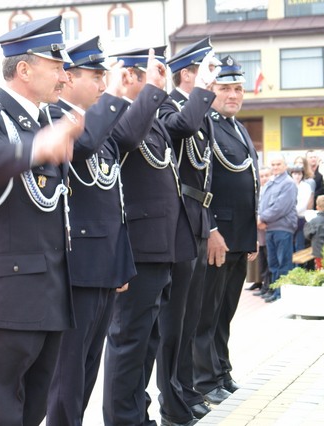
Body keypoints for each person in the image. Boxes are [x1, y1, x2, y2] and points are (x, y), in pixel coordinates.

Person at [0, 17, 84, 426]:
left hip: (50, 293)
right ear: (26, 69)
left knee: (33, 411)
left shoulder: (45, 122)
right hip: (11, 296)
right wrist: (38, 147)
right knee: (1, 414)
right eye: (57, 67)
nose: (65, 77)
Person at [103, 46, 198, 426]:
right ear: (128, 77)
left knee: (147, 340)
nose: (156, 85)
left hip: (161, 246)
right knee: (129, 341)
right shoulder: (115, 115)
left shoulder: (151, 117)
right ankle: (123, 419)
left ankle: (137, 415)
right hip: (138, 248)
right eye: (149, 76)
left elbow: (182, 130)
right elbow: (125, 138)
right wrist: (153, 93)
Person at [44, 37, 136, 426]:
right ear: (69, 77)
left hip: (103, 265)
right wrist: (114, 96)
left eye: (104, 77)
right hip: (77, 268)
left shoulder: (99, 123)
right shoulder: (55, 119)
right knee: (67, 375)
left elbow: (114, 200)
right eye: (95, 77)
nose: (102, 84)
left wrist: (120, 262)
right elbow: (82, 147)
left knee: (86, 369)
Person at [157, 37, 220, 425]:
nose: (213, 78)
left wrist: (210, 225)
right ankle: (172, 399)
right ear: (187, 74)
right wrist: (201, 93)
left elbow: (205, 173)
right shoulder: (168, 106)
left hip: (197, 217)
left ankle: (187, 389)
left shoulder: (199, 109)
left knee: (191, 315)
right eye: (207, 70)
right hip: (178, 219)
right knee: (173, 320)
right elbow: (181, 129)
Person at [193, 55, 259, 406]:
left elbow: (250, 182)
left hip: (239, 235)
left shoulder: (237, 127)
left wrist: (251, 235)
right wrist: (211, 229)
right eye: (225, 88)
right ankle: (204, 381)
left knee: (225, 312)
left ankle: (220, 371)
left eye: (238, 89)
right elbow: (199, 183)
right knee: (206, 313)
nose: (233, 95)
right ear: (211, 90)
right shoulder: (204, 124)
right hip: (218, 237)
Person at [257, 154, 297, 302]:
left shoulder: (288, 183)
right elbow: (262, 204)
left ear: (285, 166)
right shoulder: (271, 183)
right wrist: (261, 217)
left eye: (278, 164)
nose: (275, 167)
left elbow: (281, 207)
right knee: (273, 263)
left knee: (283, 262)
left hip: (282, 228)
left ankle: (282, 293)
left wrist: (262, 218)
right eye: (273, 164)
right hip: (270, 228)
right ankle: (275, 290)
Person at [253, 167, 272, 299]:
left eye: (267, 175)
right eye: (262, 176)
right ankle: (264, 285)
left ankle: (269, 286)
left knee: (270, 260)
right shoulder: (258, 189)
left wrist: (262, 219)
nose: (264, 178)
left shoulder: (272, 189)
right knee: (263, 261)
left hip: (268, 227)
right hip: (259, 229)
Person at [303, 196, 324, 269]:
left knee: (320, 269)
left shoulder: (312, 222)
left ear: (317, 207)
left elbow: (307, 235)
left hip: (318, 252)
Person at [289, 165, 313, 254]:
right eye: (295, 174)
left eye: (299, 174)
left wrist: (292, 212)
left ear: (302, 175)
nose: (297, 176)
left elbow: (304, 203)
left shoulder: (306, 186)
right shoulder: (287, 185)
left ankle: (299, 263)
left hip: (301, 218)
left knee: (299, 244)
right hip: (288, 219)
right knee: (289, 244)